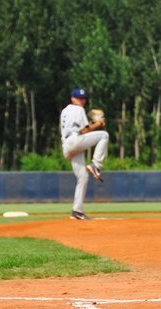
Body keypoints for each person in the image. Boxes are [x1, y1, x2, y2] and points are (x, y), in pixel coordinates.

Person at [60, 88, 109, 220]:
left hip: (67, 146)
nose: (82, 100)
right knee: (104, 135)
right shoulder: (78, 109)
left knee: (83, 178)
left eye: (83, 98)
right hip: (74, 141)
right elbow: (84, 131)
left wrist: (89, 120)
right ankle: (96, 165)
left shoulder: (65, 110)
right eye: (79, 98)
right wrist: (98, 124)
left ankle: (77, 211)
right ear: (72, 98)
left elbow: (79, 128)